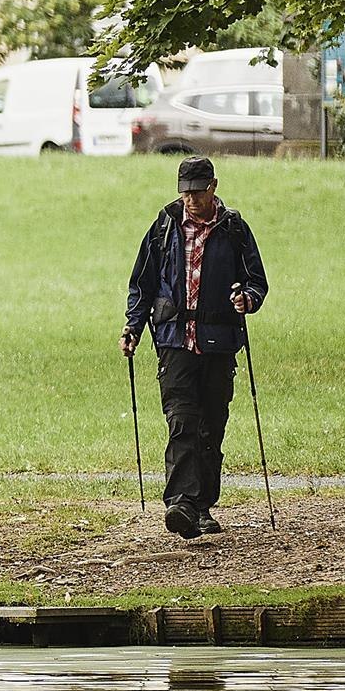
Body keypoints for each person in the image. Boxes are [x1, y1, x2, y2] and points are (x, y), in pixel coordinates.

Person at [123, 154, 265, 536]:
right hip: (174, 340)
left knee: (211, 427)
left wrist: (247, 299)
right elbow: (142, 284)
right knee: (182, 420)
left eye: (199, 192)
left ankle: (202, 506)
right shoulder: (164, 227)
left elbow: (257, 281)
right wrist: (132, 327)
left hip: (218, 344)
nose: (192, 199)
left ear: (213, 187)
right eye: (186, 192)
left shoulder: (233, 228)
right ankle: (181, 503)